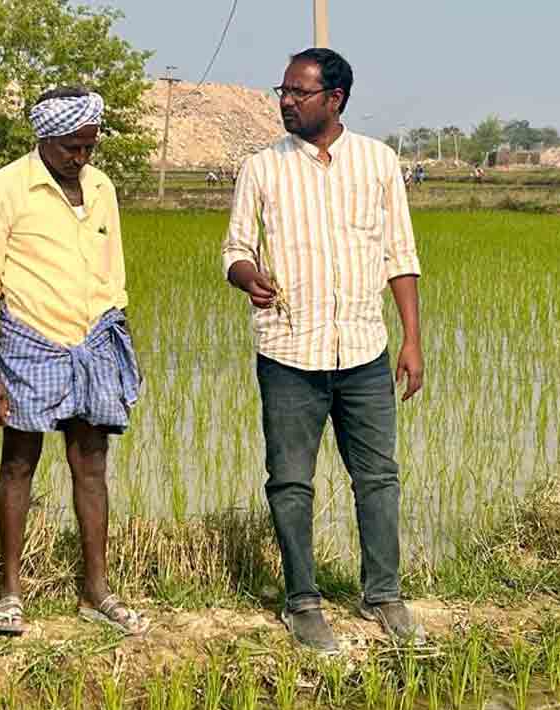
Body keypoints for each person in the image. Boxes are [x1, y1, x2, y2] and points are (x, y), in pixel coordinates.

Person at [222, 47, 427, 654]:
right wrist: (245, 275)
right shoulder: (261, 168)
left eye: (297, 92)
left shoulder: (378, 163)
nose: (285, 101)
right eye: (281, 91)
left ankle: (383, 594)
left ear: (333, 100)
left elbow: (400, 255)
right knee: (290, 481)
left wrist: (412, 339)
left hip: (364, 348)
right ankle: (303, 602)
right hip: (289, 351)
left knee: (378, 477)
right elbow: (234, 249)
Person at [0, 86, 147, 638]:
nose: (82, 157)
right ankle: (10, 593)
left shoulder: (101, 189)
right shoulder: (2, 192)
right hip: (29, 340)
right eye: (72, 146)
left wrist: (119, 342)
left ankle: (96, 591)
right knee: (19, 461)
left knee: (91, 461)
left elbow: (112, 272)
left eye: (89, 146)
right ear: (44, 138)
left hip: (93, 338)